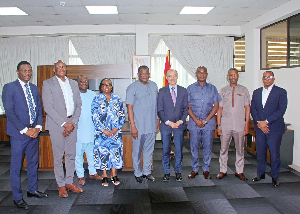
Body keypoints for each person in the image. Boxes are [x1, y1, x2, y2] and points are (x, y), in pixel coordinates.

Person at [2, 61, 48, 210]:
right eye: (24, 71)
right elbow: (9, 111)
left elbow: (39, 109)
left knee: (33, 163)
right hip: (18, 134)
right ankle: (17, 197)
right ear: (17, 72)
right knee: (16, 166)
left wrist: (38, 127)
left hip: (33, 133)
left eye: (29, 71)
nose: (27, 73)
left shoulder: (34, 88)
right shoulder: (9, 88)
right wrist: (24, 129)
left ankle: (32, 190)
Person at [42, 60, 83, 197]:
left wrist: (72, 123)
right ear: (54, 69)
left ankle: (69, 182)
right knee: (58, 157)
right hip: (56, 126)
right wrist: (64, 124)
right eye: (58, 67)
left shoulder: (73, 83)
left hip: (72, 124)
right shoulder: (48, 83)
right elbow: (48, 107)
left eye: (63, 66)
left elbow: (78, 105)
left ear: (66, 68)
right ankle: (61, 185)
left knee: (71, 155)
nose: (61, 69)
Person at [250, 71, 287, 187]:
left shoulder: (281, 92)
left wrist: (266, 122)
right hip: (260, 128)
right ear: (262, 79)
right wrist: (260, 123)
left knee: (274, 153)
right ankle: (260, 173)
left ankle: (275, 176)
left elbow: (281, 110)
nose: (267, 79)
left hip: (274, 128)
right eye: (265, 77)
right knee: (260, 152)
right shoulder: (256, 92)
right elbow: (253, 109)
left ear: (273, 79)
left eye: (269, 77)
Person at [126, 65, 159, 183]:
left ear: (149, 74)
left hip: (152, 124)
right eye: (142, 73)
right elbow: (129, 107)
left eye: (146, 73)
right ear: (138, 75)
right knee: (137, 150)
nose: (144, 75)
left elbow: (156, 105)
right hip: (138, 126)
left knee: (149, 150)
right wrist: (133, 126)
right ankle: (137, 172)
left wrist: (157, 120)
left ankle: (146, 172)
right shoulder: (132, 87)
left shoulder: (154, 85)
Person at [187, 66, 221, 179]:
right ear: (196, 74)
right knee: (194, 147)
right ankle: (195, 169)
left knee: (208, 147)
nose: (202, 75)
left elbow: (216, 106)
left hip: (209, 123)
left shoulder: (213, 88)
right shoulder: (190, 88)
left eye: (204, 73)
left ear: (207, 74)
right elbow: (187, 107)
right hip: (193, 123)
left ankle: (206, 169)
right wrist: (196, 120)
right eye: (199, 73)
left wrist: (206, 120)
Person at [216, 68, 250, 181]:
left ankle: (239, 171)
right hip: (225, 124)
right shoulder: (223, 90)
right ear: (228, 76)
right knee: (223, 149)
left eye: (235, 75)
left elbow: (247, 108)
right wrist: (219, 125)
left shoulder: (244, 90)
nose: (233, 77)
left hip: (240, 124)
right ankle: (223, 170)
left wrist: (246, 125)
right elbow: (219, 109)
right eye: (231, 75)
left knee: (240, 149)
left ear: (238, 76)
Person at [92, 78, 126, 186]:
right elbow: (94, 116)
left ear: (112, 87)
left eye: (109, 85)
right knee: (103, 153)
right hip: (101, 133)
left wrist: (115, 128)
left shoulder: (117, 98)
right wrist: (103, 130)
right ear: (101, 87)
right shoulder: (96, 99)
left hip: (115, 133)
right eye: (104, 85)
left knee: (115, 152)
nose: (107, 86)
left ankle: (113, 174)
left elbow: (121, 114)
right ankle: (104, 175)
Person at [157, 69, 188, 182]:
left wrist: (180, 121)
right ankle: (166, 172)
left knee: (179, 149)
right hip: (166, 125)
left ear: (177, 76)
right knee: (165, 150)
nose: (172, 78)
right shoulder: (161, 91)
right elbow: (160, 110)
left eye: (174, 75)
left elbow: (186, 109)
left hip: (179, 125)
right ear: (166, 78)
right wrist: (169, 123)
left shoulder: (183, 91)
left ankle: (178, 172)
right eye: (170, 76)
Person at [75, 75, 102, 186]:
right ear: (77, 83)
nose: (84, 83)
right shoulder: (73, 94)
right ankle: (80, 176)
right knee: (78, 155)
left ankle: (93, 172)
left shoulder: (93, 94)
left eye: (86, 81)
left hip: (91, 129)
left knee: (92, 153)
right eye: (81, 81)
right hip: (78, 130)